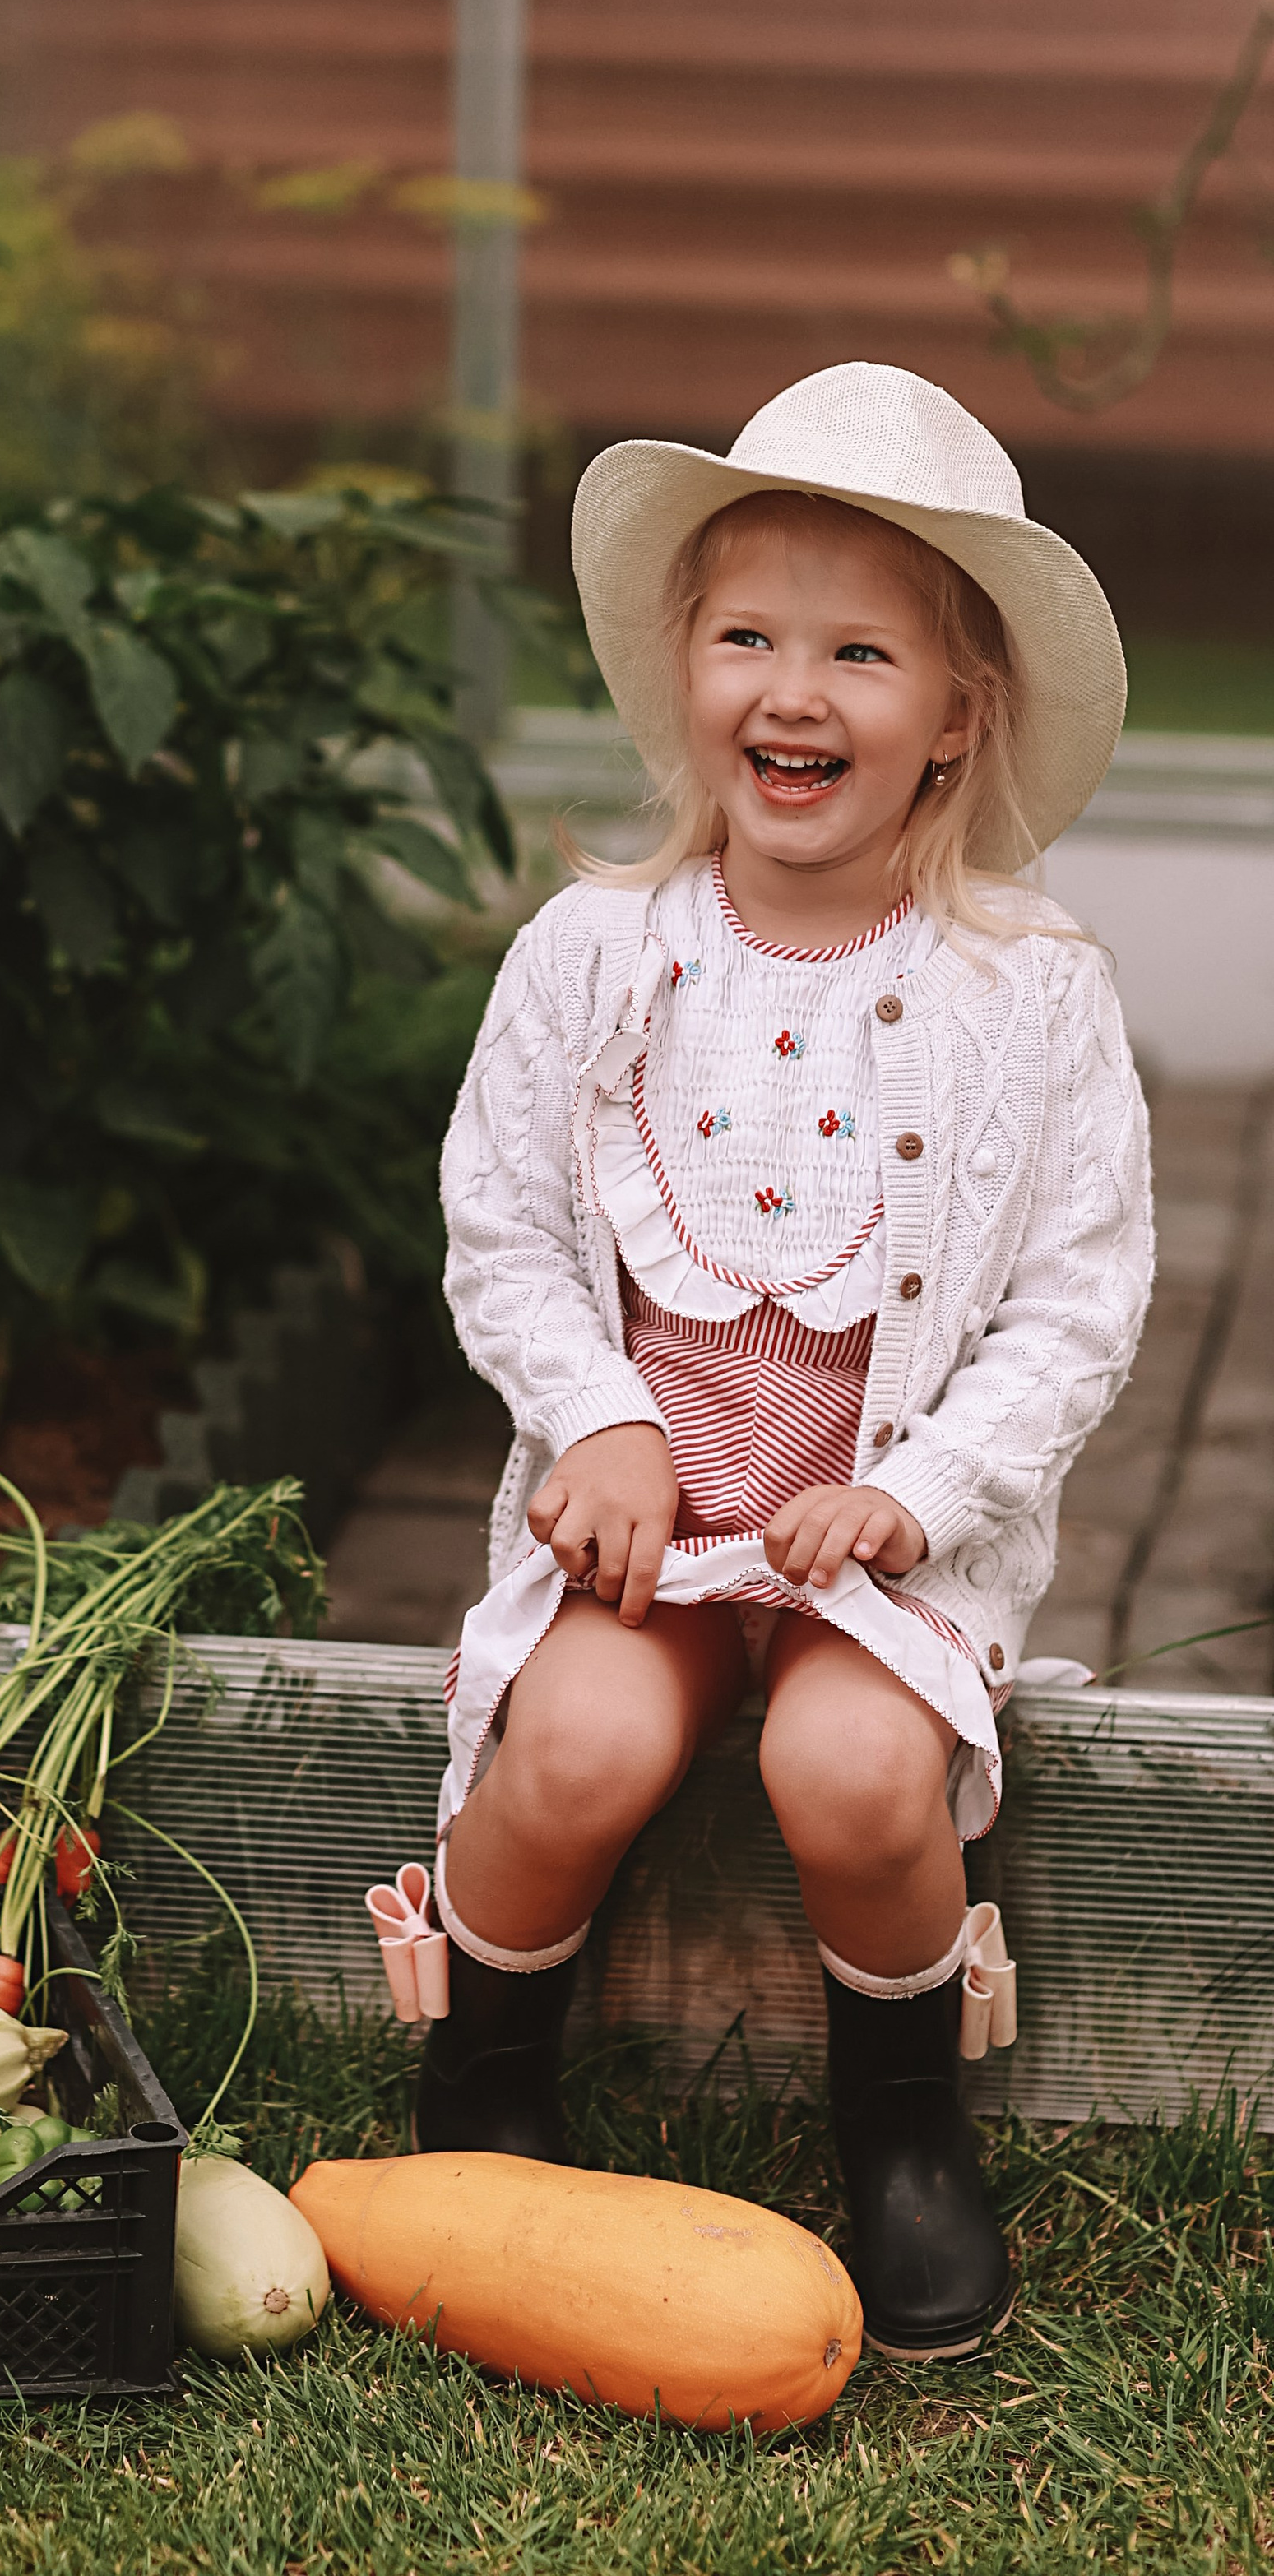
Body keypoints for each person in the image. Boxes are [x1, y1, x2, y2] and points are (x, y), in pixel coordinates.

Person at [425, 362, 1154, 2361]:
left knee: (844, 1768)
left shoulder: (1028, 992)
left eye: (857, 652)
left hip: (875, 1537)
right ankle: (481, 2087)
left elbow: (1077, 1302)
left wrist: (911, 1496)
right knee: (572, 1746)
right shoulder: (593, 953)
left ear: (953, 715)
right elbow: (498, 1221)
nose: (793, 693)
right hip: (647, 1522)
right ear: (684, 674)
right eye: (747, 638)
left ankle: (900, 2125)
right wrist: (596, 1421)